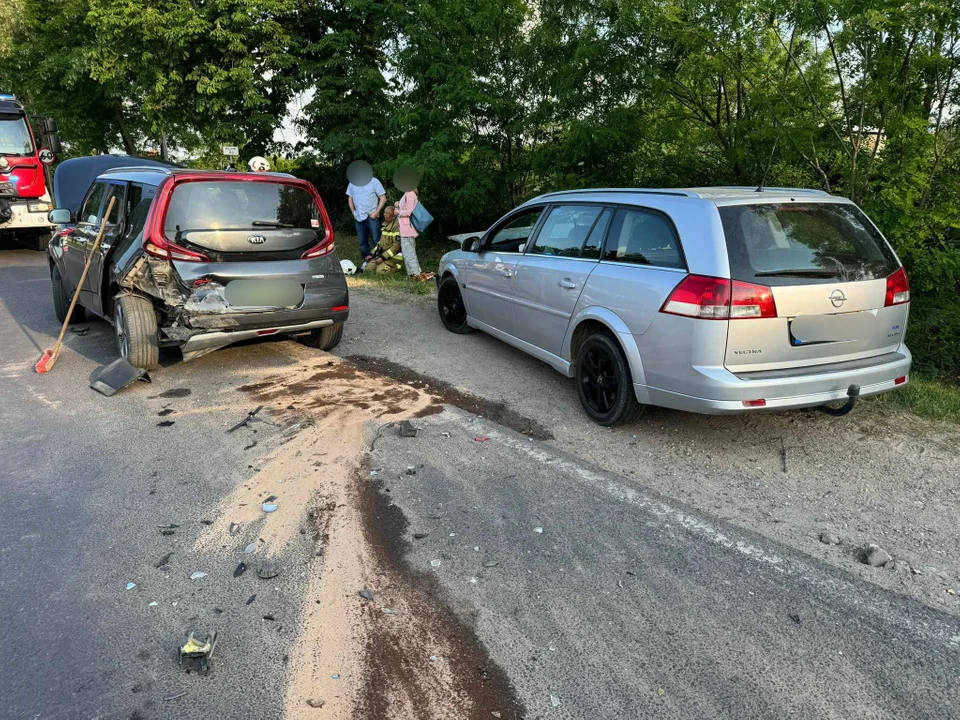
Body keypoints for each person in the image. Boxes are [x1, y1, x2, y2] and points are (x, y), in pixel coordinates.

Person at [346, 169, 386, 259]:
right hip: (359, 216)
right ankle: (366, 259)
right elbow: (350, 199)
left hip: (372, 216)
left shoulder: (374, 181)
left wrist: (376, 213)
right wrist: (353, 213)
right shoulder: (352, 183)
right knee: (362, 241)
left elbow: (383, 198)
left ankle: (379, 258)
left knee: (377, 239)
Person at [396, 186, 434, 281]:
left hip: (407, 228)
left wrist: (398, 211)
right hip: (406, 228)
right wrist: (398, 204)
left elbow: (409, 211)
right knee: (409, 252)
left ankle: (415, 275)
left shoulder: (409, 193)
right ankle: (414, 273)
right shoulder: (408, 193)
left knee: (408, 253)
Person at [361, 206, 404, 274]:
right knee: (368, 268)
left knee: (380, 271)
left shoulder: (397, 227)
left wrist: (383, 257)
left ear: (392, 216)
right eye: (384, 212)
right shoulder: (385, 225)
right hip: (383, 255)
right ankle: (383, 264)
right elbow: (380, 243)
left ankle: (398, 266)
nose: (384, 214)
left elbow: (396, 247)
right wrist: (372, 254)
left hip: (395, 257)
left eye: (386, 213)